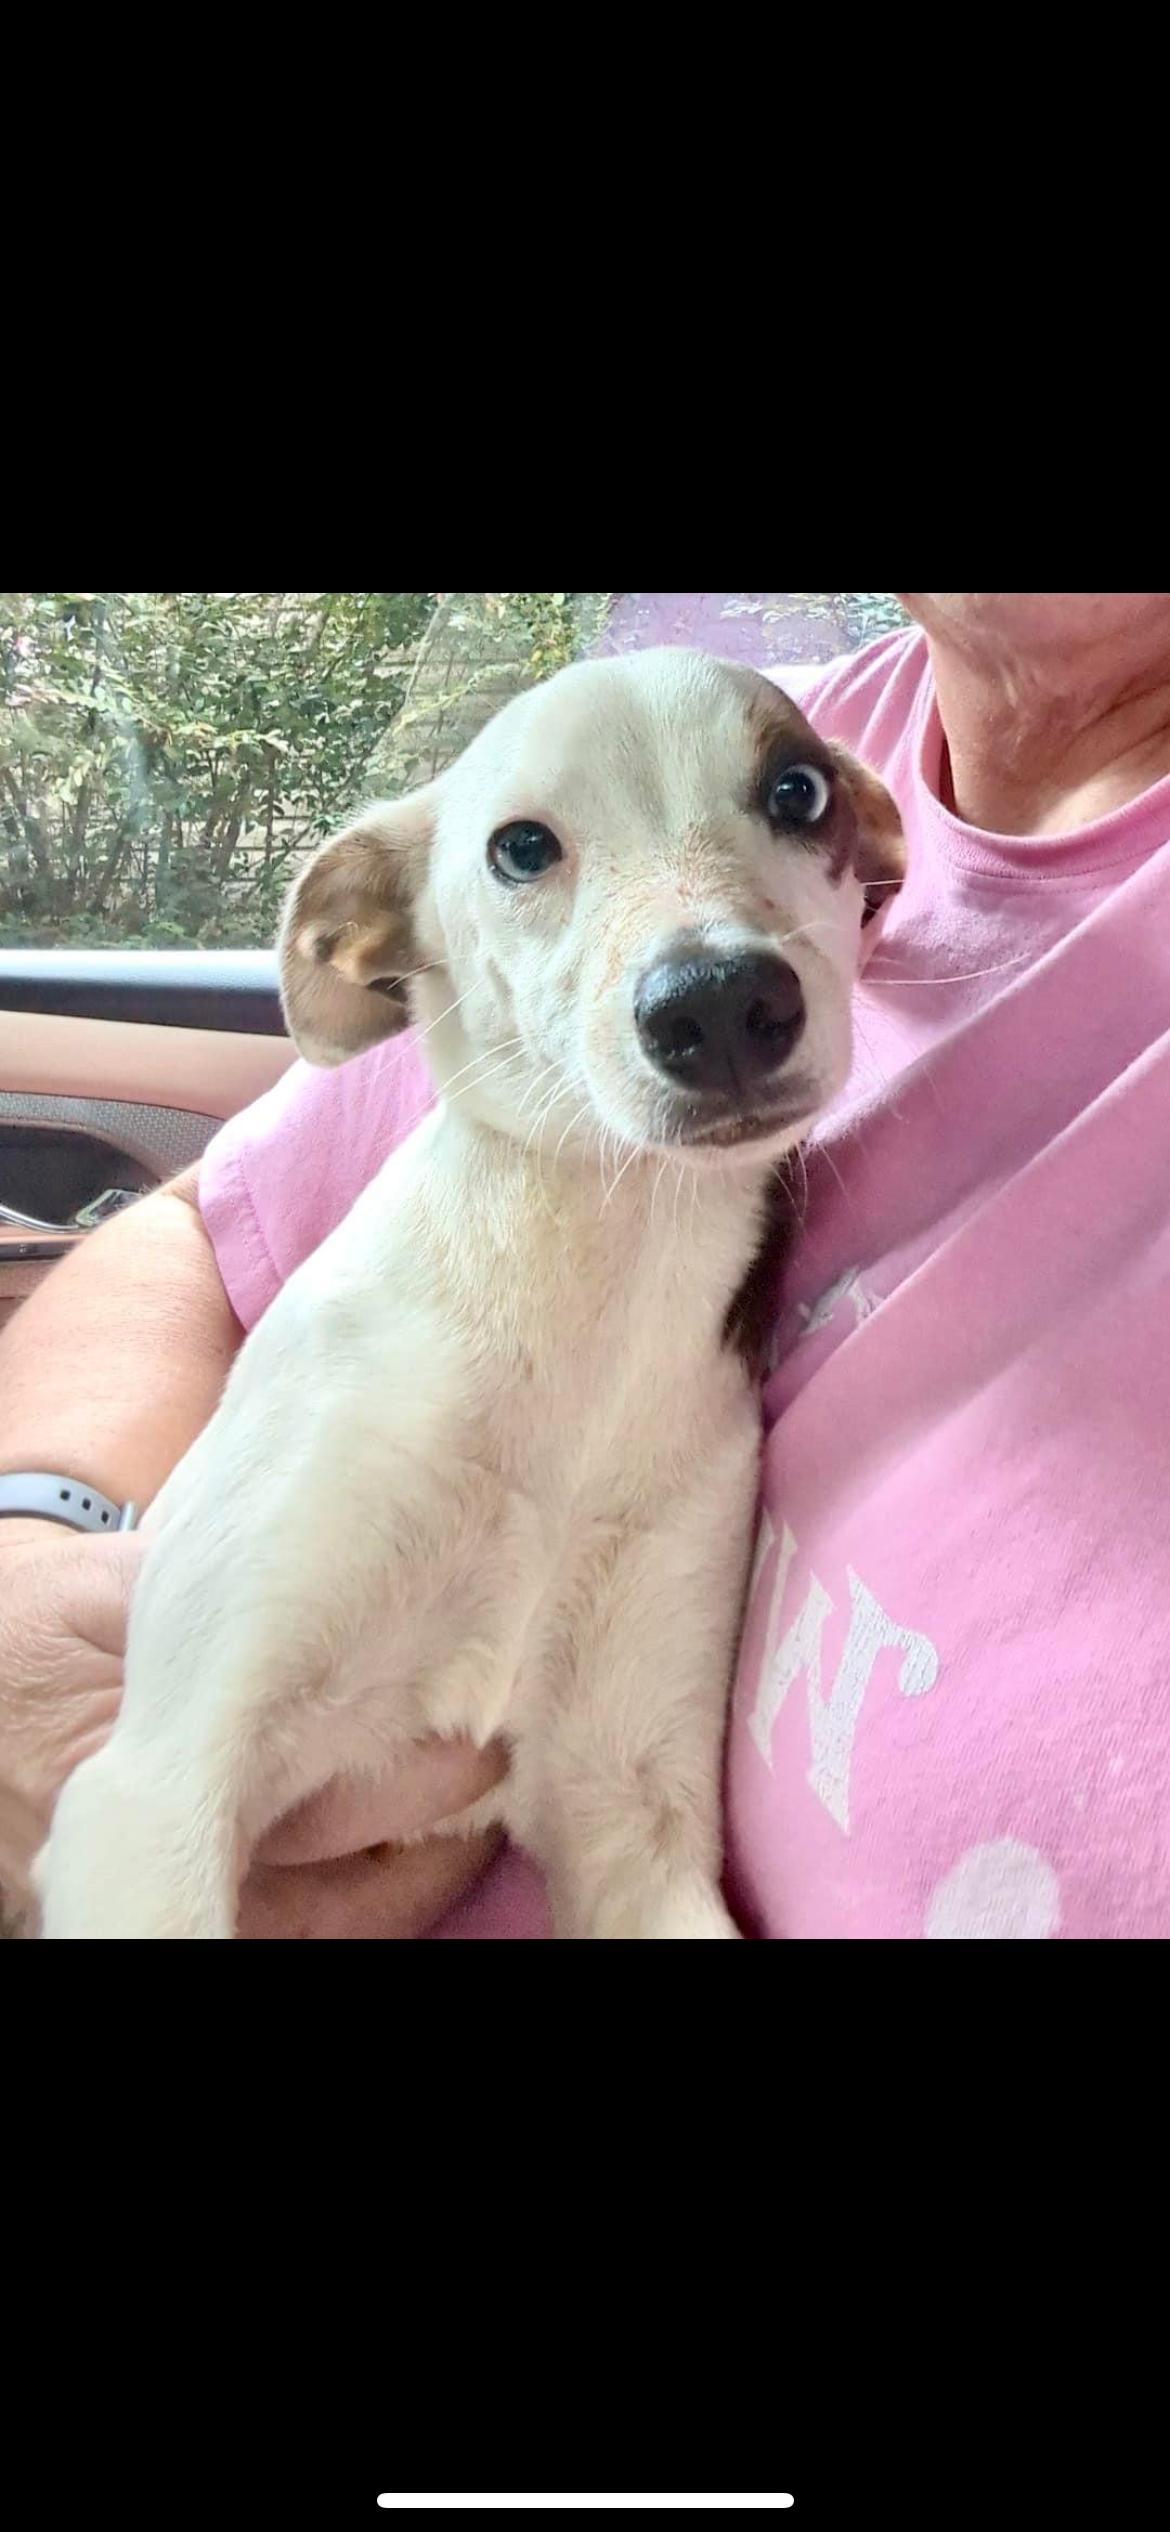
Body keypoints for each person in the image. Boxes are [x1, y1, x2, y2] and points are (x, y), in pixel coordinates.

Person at [3, 592, 1169, 1939]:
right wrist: (30, 1560)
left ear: (860, 869)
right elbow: (195, 1238)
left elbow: (634, 1865)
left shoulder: (686, 1429)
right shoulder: (708, 741)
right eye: (529, 854)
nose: (713, 970)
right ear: (395, 948)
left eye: (787, 804)